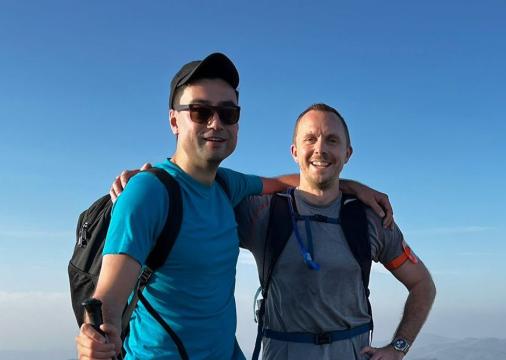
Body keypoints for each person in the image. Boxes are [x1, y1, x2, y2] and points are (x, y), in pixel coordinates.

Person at [75, 53, 392, 360]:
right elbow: (109, 301)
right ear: (174, 120)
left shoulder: (227, 185)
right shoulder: (148, 193)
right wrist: (98, 338)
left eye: (228, 113)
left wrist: (347, 185)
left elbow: (285, 182)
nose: (216, 122)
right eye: (200, 112)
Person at [234, 103, 436, 360]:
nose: (320, 148)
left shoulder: (370, 217)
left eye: (331, 140)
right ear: (295, 152)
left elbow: (422, 284)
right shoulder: (263, 211)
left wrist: (398, 347)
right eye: (310, 139)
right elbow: (204, 199)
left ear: (347, 153)